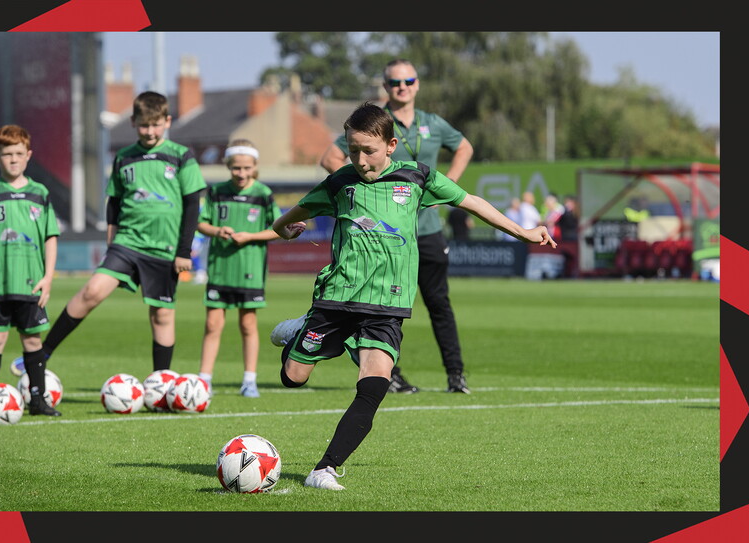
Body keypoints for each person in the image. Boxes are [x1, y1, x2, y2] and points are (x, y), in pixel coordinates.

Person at [271, 103, 556, 490]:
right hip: (336, 299)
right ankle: (299, 331)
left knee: (374, 383)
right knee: (294, 377)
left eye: (367, 150)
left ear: (390, 146)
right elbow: (283, 220)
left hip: (387, 306)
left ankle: (325, 468)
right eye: (352, 150)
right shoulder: (339, 184)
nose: (359, 158)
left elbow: (470, 201)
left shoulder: (416, 177)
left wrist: (522, 232)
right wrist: (287, 229)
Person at [10, 91, 206, 378]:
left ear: (167, 121)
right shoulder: (124, 158)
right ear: (132, 122)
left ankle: (160, 381)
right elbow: (114, 203)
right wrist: (111, 242)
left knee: (161, 314)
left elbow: (192, 204)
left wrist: (183, 251)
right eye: (143, 125)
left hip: (165, 249)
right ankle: (41, 354)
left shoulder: (181, 156)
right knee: (91, 292)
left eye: (155, 125)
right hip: (126, 243)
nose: (149, 132)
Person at [318, 58, 474, 395]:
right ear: (385, 87)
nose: (401, 88)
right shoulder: (375, 122)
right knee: (370, 305)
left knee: (439, 303)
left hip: (427, 229)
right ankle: (390, 376)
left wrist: (444, 189)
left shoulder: (432, 123)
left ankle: (456, 374)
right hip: (380, 236)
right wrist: (359, 200)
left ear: (417, 84)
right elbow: (330, 158)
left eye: (407, 81)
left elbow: (464, 147)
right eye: (394, 83)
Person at [0, 124, 61, 418]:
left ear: (28, 155)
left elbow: (50, 237)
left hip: (31, 284)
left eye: (19, 153)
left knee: (33, 340)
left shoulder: (40, 193)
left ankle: (37, 400)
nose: (13, 159)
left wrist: (47, 279)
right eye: (7, 154)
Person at [195, 139, 282, 397]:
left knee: (247, 324)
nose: (241, 173)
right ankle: (204, 380)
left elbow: (277, 229)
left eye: (246, 168)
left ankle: (249, 380)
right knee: (212, 324)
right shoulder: (216, 192)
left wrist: (250, 237)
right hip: (221, 267)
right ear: (228, 166)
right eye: (236, 168)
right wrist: (217, 230)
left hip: (250, 269)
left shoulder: (263, 194)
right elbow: (202, 223)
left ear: (254, 166)